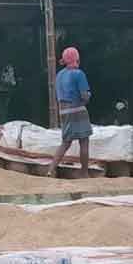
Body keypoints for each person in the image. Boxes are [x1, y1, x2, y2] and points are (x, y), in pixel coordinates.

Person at [48, 47, 92, 178]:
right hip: (78, 110)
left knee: (65, 142)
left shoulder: (59, 75)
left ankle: (51, 170)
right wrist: (88, 97)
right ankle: (84, 172)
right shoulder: (78, 74)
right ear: (76, 59)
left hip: (64, 112)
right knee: (84, 141)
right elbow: (84, 96)